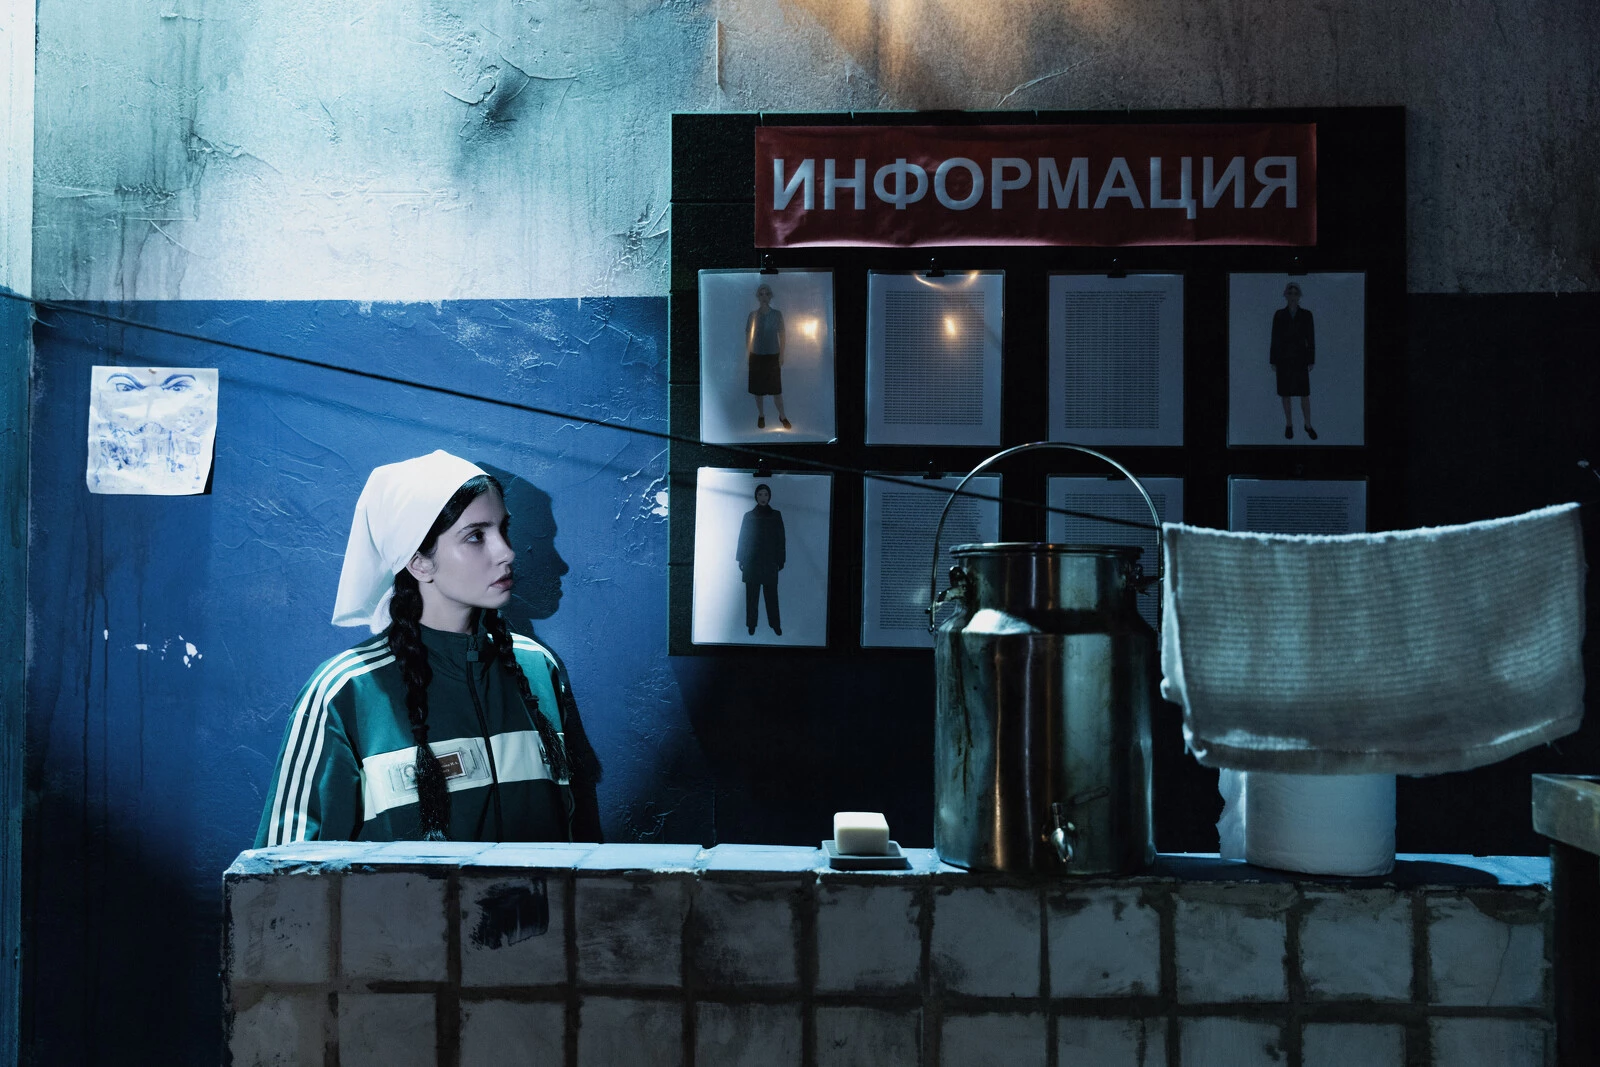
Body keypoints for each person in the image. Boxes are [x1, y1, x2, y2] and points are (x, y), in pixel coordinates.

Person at [255, 450, 602, 845]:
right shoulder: (344, 692)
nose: (506, 552)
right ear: (419, 562)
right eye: (476, 536)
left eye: (503, 530)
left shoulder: (539, 668)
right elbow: (282, 876)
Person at [1270, 282, 1317, 440]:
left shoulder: (1307, 315)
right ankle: (1289, 424)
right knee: (1285, 393)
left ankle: (1308, 424)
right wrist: (1273, 360)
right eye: (1290, 292)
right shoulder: (1279, 315)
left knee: (1304, 394)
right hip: (1283, 358)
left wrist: (1311, 359)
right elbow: (1275, 338)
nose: (1292, 295)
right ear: (1285, 295)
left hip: (1300, 358)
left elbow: (1310, 338)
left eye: (1295, 292)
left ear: (1299, 296)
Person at [736, 483, 785, 636]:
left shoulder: (776, 515)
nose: (763, 498)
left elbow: (781, 539)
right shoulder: (748, 516)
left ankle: (775, 625)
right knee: (751, 597)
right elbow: (743, 538)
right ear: (755, 497)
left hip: (770, 561)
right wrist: (741, 559)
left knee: (771, 597)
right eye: (760, 495)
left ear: (769, 496)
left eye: (765, 494)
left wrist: (781, 559)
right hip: (752, 561)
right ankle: (751, 625)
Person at [746, 283, 791, 431]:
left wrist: (782, 354)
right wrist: (748, 356)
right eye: (761, 294)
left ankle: (782, 416)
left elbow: (782, 335)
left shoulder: (777, 314)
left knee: (776, 391)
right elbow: (748, 337)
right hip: (756, 356)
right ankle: (761, 415)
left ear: (770, 296)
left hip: (772, 355)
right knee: (758, 391)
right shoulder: (753, 315)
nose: (764, 297)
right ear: (758, 297)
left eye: (766, 294)